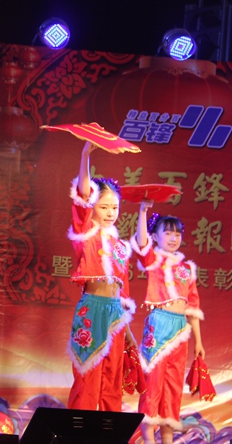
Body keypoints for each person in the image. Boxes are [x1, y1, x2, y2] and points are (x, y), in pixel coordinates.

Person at [66, 142, 136, 411]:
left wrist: (128, 331)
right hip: (92, 310)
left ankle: (109, 430)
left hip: (115, 314)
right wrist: (85, 154)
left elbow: (123, 292)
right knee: (88, 379)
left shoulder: (120, 247)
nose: (110, 213)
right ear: (93, 207)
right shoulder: (85, 233)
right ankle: (79, 430)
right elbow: (83, 194)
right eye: (104, 207)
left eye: (114, 208)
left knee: (112, 381)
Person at [132, 201, 204, 444]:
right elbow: (142, 243)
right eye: (168, 233)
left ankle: (168, 440)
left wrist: (198, 342)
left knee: (173, 388)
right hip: (158, 326)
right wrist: (143, 212)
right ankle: (149, 440)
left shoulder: (187, 269)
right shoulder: (153, 260)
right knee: (153, 385)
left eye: (177, 234)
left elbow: (193, 308)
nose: (173, 238)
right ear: (156, 236)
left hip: (180, 330)